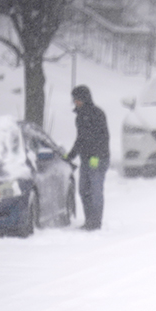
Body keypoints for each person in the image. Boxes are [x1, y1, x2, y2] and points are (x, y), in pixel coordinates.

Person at [65, 85, 110, 231]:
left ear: (85, 99)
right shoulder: (79, 117)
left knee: (96, 190)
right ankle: (89, 219)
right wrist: (71, 155)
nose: (75, 102)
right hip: (86, 159)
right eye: (74, 99)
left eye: (77, 99)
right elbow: (81, 139)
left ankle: (95, 222)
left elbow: (103, 137)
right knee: (84, 190)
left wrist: (97, 156)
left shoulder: (97, 114)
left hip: (99, 159)